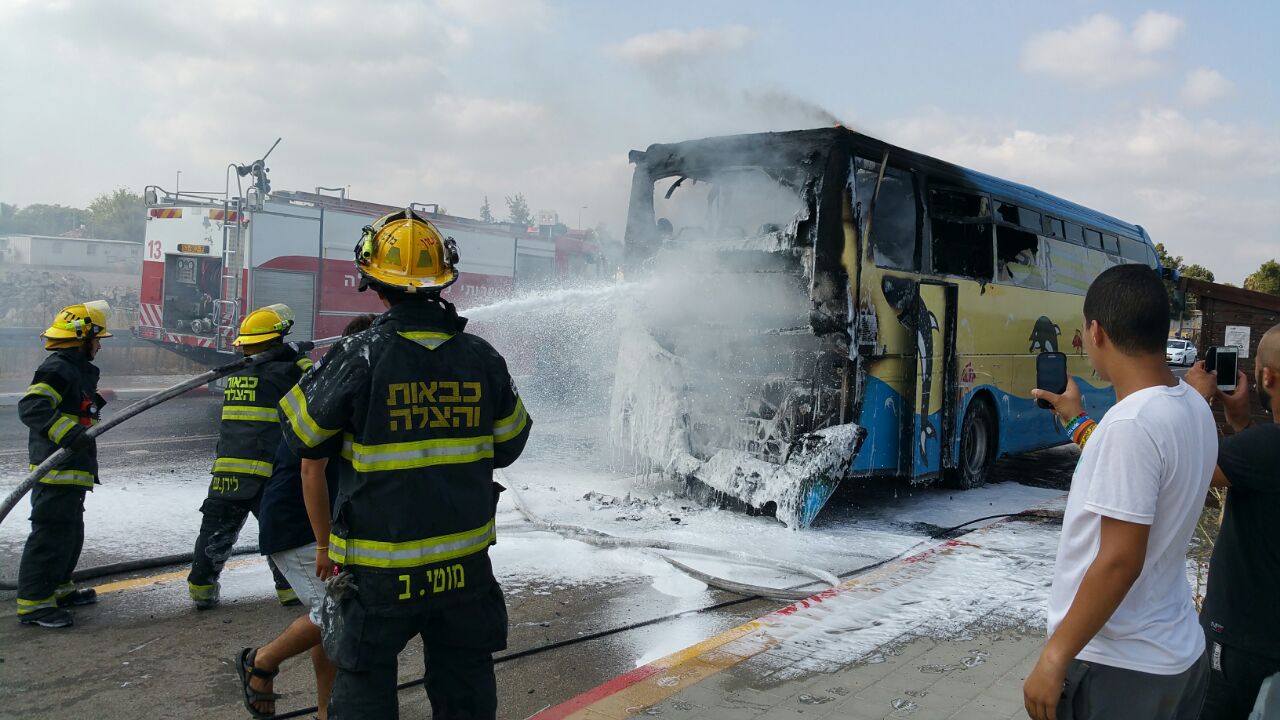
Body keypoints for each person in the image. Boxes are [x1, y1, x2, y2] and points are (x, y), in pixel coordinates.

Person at [276, 208, 531, 719]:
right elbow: (510, 444)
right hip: (463, 573)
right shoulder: (481, 358)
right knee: (466, 694)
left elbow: (302, 435)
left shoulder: (357, 354)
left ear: (374, 283)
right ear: (443, 280)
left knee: (365, 690)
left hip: (378, 576)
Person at [1023, 264, 1216, 720]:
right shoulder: (1192, 405)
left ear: (1096, 331)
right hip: (1175, 656)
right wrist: (1076, 420)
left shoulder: (1131, 425)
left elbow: (1119, 560)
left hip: (1120, 669)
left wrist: (1054, 657)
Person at [236, 314, 376, 720]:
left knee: (329, 619)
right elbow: (310, 470)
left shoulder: (339, 382)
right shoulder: (335, 391)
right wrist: (323, 542)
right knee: (337, 614)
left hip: (307, 519)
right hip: (296, 523)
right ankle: (260, 663)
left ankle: (325, 710)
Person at [187, 304, 312, 610]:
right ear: (276, 341)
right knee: (280, 528)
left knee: (217, 528)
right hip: (264, 470)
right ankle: (289, 590)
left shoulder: (239, 372)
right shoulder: (286, 372)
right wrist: (300, 357)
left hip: (228, 468)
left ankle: (201, 588)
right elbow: (315, 383)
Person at [1185, 324, 1280, 719]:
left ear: (1266, 376)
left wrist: (1188, 400)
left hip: (1242, 646)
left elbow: (1176, 467)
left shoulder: (1267, 449)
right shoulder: (1263, 450)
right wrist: (1240, 423)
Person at [15, 301, 113, 628]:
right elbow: (33, 407)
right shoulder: (58, 367)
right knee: (50, 536)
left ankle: (59, 588)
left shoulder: (75, 368)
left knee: (69, 534)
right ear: (81, 337)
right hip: (55, 471)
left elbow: (71, 406)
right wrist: (69, 434)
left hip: (72, 471)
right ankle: (34, 605)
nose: (100, 345)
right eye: (97, 339)